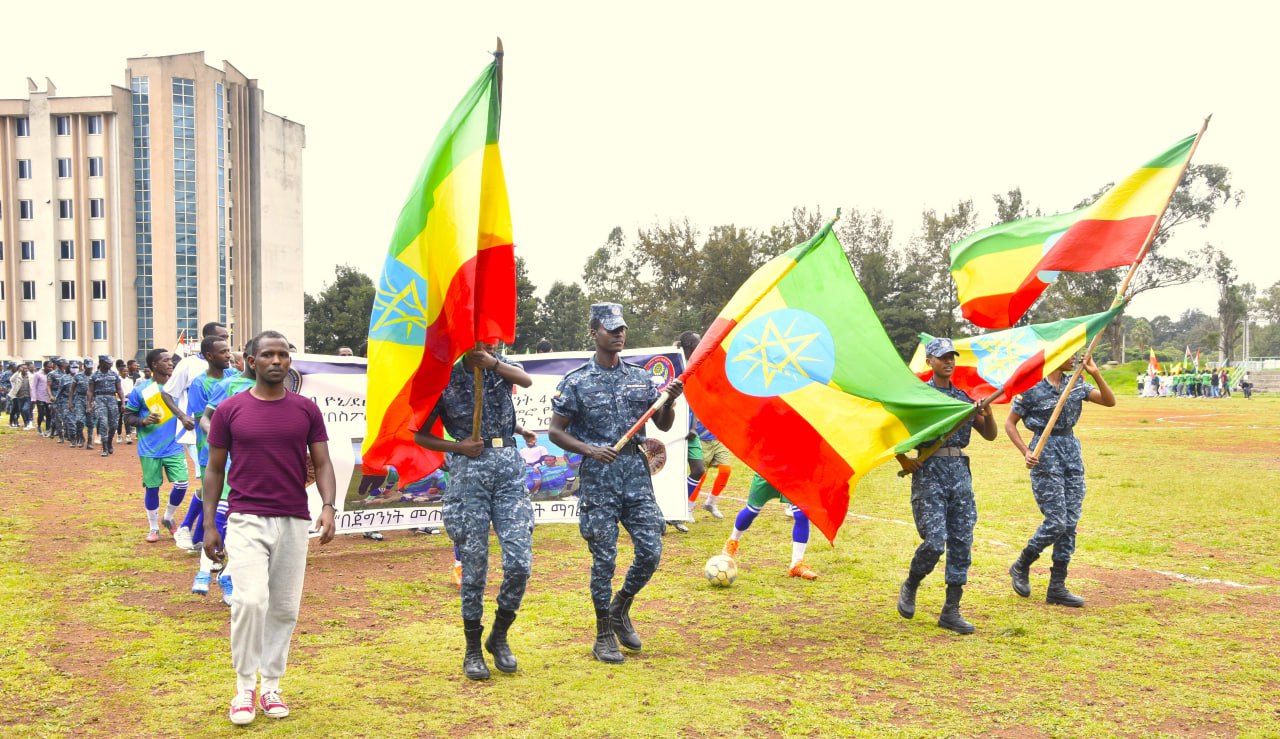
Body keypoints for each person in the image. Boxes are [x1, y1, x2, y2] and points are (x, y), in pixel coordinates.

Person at [201, 330, 336, 725]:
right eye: (268, 355)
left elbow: (323, 463)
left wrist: (328, 506)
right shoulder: (230, 410)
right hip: (246, 518)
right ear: (250, 360)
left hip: (294, 519)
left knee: (283, 607)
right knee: (249, 601)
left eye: (283, 355)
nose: (277, 361)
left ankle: (272, 684)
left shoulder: (305, 410)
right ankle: (244, 688)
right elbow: (212, 469)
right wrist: (210, 525)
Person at [549, 302, 683, 665]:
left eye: (622, 328)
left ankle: (620, 605)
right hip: (599, 479)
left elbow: (665, 425)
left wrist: (669, 401)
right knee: (604, 559)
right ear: (594, 333)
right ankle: (603, 634)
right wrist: (590, 450)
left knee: (651, 549)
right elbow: (556, 432)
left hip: (635, 476)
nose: (619, 334)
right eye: (611, 329)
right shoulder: (576, 381)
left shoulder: (640, 378)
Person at [414, 343, 537, 680]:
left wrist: (493, 363)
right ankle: (471, 648)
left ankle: (498, 635)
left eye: (493, 339)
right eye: (481, 338)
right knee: (474, 565)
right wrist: (457, 447)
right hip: (470, 475)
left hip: (509, 472)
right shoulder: (447, 380)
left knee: (519, 563)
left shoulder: (500, 369)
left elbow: (525, 380)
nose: (489, 342)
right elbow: (421, 436)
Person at [894, 338, 998, 634]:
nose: (948, 361)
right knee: (935, 541)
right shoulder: (920, 396)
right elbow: (892, 428)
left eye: (951, 356)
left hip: (960, 474)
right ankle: (912, 583)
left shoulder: (963, 399)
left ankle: (951, 610)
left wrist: (986, 414)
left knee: (962, 542)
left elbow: (989, 435)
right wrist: (903, 459)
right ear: (930, 361)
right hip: (929, 472)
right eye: (942, 357)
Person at [1005, 353, 1116, 608]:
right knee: (1057, 521)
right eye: (1070, 353)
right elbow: (1010, 423)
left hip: (1070, 451)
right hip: (1044, 451)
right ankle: (1022, 564)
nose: (1076, 357)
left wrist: (1096, 373)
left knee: (1070, 523)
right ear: (1055, 356)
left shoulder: (1075, 382)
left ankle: (1057, 587)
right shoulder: (1031, 388)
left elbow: (1109, 401)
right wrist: (1026, 451)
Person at [123, 349, 196, 543]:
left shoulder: (179, 387)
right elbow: (128, 417)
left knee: (182, 483)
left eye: (171, 360)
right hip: (150, 449)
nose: (171, 363)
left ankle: (168, 517)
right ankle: (153, 527)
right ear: (155, 365)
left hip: (174, 446)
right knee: (152, 488)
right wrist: (143, 420)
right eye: (166, 361)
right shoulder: (142, 390)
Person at [166, 321, 231, 482]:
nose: (225, 341)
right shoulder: (188, 364)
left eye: (226, 338)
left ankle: (197, 508)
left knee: (216, 482)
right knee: (210, 477)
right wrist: (182, 416)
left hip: (228, 431)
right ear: (207, 339)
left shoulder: (229, 367)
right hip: (197, 430)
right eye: (220, 337)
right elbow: (167, 393)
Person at [721, 473, 819, 580]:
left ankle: (796, 564)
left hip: (794, 474)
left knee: (802, 515)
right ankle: (732, 542)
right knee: (752, 510)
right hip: (769, 470)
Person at [86, 356, 124, 456]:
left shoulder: (114, 375)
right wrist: (89, 405)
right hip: (99, 399)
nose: (111, 364)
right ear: (102, 363)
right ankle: (104, 447)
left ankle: (109, 442)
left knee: (114, 425)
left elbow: (119, 389)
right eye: (108, 363)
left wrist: (123, 402)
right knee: (103, 422)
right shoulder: (94, 376)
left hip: (112, 399)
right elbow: (90, 391)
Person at [64, 360, 91, 448]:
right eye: (88, 366)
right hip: (79, 398)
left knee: (90, 422)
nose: (89, 368)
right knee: (79, 420)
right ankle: (81, 437)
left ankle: (89, 441)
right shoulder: (78, 376)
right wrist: (70, 402)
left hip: (91, 399)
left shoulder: (94, 376)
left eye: (91, 367)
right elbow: (72, 389)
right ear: (84, 366)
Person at [33, 361, 51, 434]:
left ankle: (48, 429)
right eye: (49, 367)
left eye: (51, 367)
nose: (50, 368)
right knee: (41, 413)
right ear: (44, 366)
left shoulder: (51, 375)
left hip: (49, 397)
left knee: (49, 414)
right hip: (40, 397)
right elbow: (33, 386)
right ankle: (39, 426)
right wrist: (34, 398)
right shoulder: (38, 374)